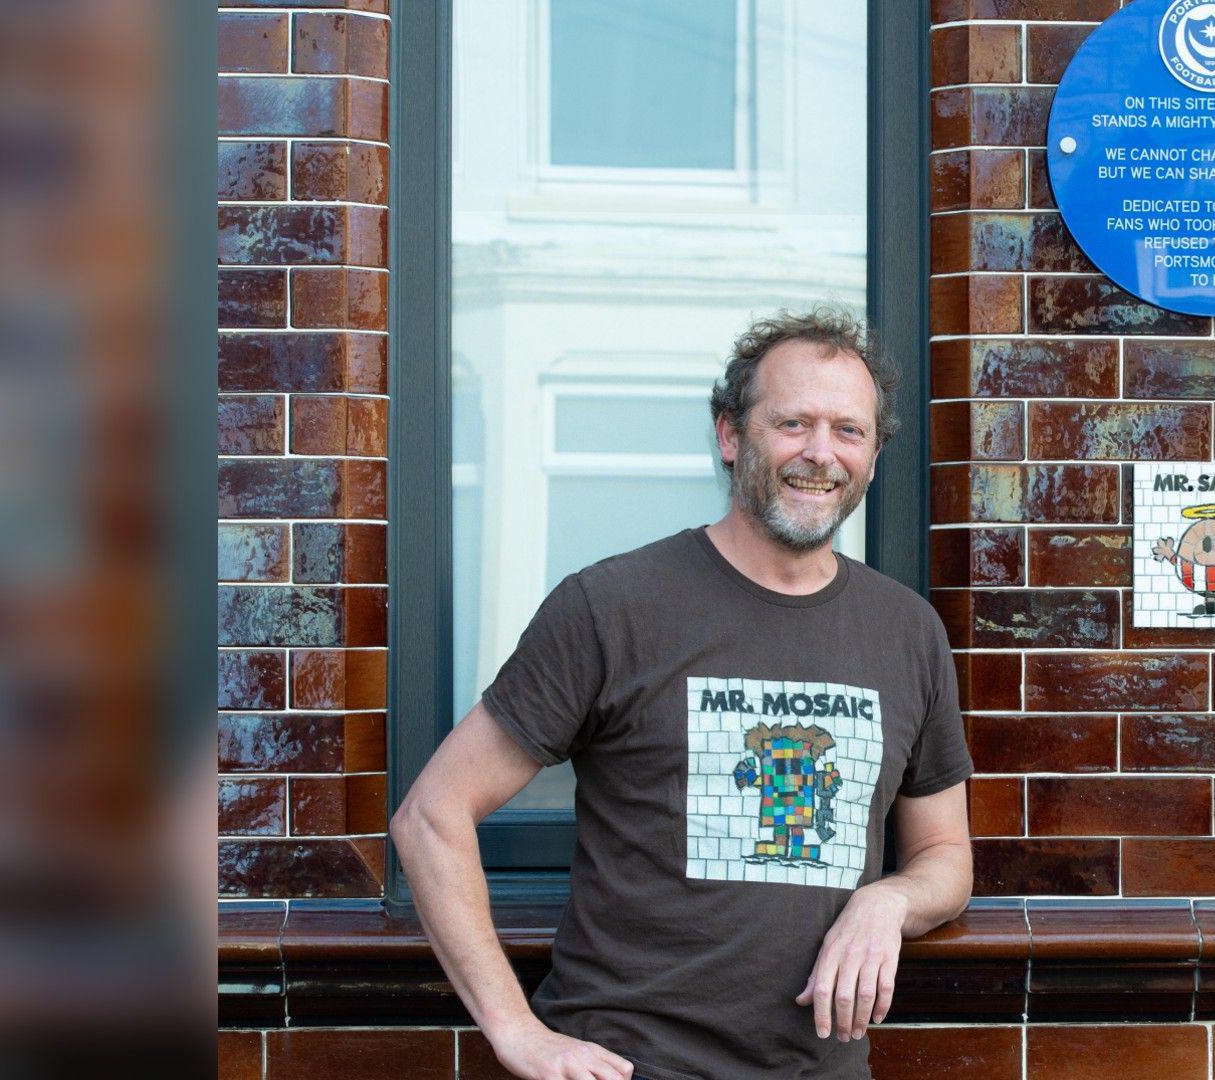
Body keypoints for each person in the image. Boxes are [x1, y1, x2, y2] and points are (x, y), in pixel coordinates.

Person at [391, 307, 975, 1080]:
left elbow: (944, 855)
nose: (820, 453)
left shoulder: (907, 633)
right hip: (633, 1064)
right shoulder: (613, 606)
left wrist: (889, 901)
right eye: (792, 422)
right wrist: (516, 1029)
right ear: (731, 435)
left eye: (849, 431)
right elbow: (431, 816)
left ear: (872, 456)